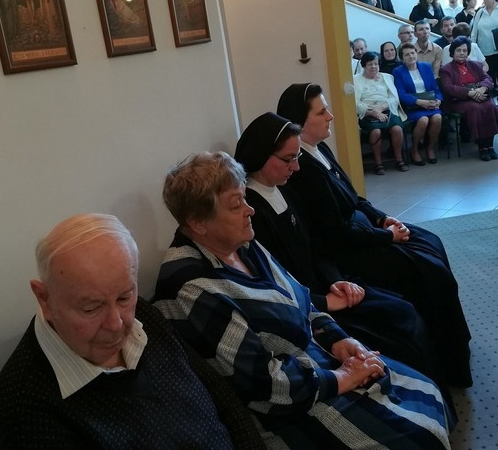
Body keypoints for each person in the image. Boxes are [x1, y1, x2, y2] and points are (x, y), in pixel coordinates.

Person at [154, 151, 455, 449]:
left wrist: (339, 339)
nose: (250, 210)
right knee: (418, 436)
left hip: (313, 362)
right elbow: (263, 385)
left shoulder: (240, 243)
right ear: (198, 222)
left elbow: (300, 298)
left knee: (426, 390)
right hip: (284, 407)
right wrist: (342, 376)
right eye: (236, 204)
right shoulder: (191, 288)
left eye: (245, 198)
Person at [0, 213, 264, 449]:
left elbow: (218, 392)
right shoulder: (23, 406)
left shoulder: (143, 315)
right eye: (91, 308)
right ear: (44, 299)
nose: (116, 323)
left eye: (124, 297)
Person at [234, 112, 453, 394]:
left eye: (297, 157)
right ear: (261, 156)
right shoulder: (252, 212)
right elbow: (273, 284)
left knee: (403, 309)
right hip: (309, 308)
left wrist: (337, 280)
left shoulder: (283, 190)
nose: (296, 167)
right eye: (288, 159)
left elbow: (316, 247)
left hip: (328, 285)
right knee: (399, 325)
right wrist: (324, 301)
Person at [276, 83, 472, 387]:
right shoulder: (304, 170)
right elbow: (335, 234)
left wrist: (382, 218)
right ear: (300, 123)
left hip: (365, 230)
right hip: (350, 250)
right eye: (322, 111)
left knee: (432, 242)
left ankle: (453, 348)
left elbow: (354, 197)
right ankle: (448, 363)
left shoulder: (320, 149)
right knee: (431, 272)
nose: (330, 116)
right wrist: (387, 237)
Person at [439, 37, 498, 161]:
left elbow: (487, 79)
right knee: (475, 108)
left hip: (480, 95)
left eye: (465, 50)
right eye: (458, 50)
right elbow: (448, 87)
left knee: (491, 107)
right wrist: (469, 93)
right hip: (459, 100)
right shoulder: (446, 69)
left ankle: (489, 145)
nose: (462, 53)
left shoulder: (476, 65)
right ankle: (482, 147)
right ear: (452, 52)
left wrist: (482, 89)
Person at [354, 51, 409, 173]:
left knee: (397, 129)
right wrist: (374, 112)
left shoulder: (387, 77)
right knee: (376, 132)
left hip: (387, 110)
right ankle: (378, 163)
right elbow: (355, 103)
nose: (373, 67)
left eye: (376, 64)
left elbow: (394, 98)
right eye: (370, 64)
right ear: (364, 66)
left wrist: (381, 108)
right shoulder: (356, 80)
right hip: (367, 113)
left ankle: (399, 159)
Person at [393, 43, 443, 165]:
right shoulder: (398, 71)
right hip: (413, 106)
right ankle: (414, 149)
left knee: (437, 118)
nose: (411, 56)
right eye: (407, 54)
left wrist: (438, 100)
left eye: (413, 53)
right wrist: (419, 102)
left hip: (430, 103)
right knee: (423, 120)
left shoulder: (426, 66)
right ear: (402, 58)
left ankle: (430, 148)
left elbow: (435, 88)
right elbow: (401, 94)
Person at [471, 0, 498, 110]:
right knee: (487, 78)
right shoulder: (480, 12)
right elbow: (474, 31)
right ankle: (489, 105)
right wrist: (472, 47)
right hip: (484, 52)